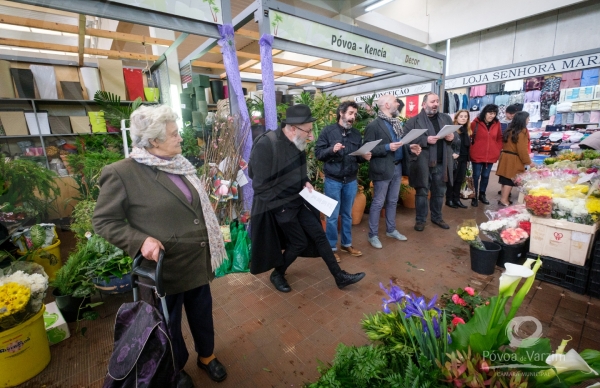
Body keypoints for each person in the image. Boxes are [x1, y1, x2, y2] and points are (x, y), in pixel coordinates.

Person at [93, 105, 227, 387]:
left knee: (202, 314)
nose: (180, 139)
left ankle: (207, 356)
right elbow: (105, 221)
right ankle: (175, 368)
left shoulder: (180, 164)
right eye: (174, 134)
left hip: (196, 259)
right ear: (153, 141)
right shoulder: (122, 173)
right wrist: (140, 241)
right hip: (165, 268)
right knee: (169, 323)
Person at [248, 104, 366, 293]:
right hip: (280, 206)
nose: (311, 136)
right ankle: (278, 273)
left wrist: (306, 181)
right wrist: (281, 209)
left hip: (298, 199)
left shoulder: (297, 142)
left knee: (320, 235)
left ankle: (339, 276)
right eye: (308, 131)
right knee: (299, 242)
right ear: (293, 128)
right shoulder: (266, 144)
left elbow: (299, 171)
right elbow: (260, 185)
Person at [315, 101, 371, 261]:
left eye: (354, 114)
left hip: (351, 181)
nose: (353, 117)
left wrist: (364, 157)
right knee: (332, 216)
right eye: (351, 113)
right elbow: (318, 153)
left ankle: (346, 244)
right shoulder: (328, 131)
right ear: (341, 113)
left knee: (347, 215)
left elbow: (357, 157)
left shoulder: (355, 134)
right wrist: (332, 150)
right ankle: (331, 247)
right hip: (333, 180)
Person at [363, 94, 421, 248]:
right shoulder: (373, 125)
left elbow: (400, 144)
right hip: (382, 169)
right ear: (387, 105)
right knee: (378, 203)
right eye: (396, 101)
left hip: (398, 166)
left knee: (393, 201)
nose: (398, 103)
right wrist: (387, 147)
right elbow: (367, 149)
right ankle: (372, 235)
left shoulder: (396, 123)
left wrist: (410, 147)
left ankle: (391, 230)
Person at [404, 92, 457, 231]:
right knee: (422, 192)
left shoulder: (445, 118)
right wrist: (425, 140)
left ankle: (437, 217)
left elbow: (456, 138)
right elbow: (405, 141)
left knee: (439, 192)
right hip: (422, 163)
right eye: (432, 102)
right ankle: (420, 220)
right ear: (424, 104)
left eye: (437, 101)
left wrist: (452, 138)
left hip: (441, 163)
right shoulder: (413, 121)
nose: (435, 104)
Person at [469, 104, 502, 207]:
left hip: (491, 155)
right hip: (477, 154)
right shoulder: (475, 123)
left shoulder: (497, 123)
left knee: (486, 176)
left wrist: (497, 149)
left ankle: (482, 194)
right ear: (485, 112)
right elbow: (469, 136)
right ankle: (474, 196)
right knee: (476, 176)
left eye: (494, 113)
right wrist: (472, 148)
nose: (492, 116)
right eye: (490, 113)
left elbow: (499, 137)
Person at [496, 111, 532, 206]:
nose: (528, 120)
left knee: (504, 179)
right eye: (528, 118)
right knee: (510, 180)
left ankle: (503, 198)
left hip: (505, 157)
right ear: (523, 120)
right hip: (513, 159)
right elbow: (522, 150)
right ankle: (504, 200)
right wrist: (528, 162)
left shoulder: (509, 129)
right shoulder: (522, 131)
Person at [445, 109, 471, 209]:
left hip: (464, 158)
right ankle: (449, 199)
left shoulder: (467, 130)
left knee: (460, 180)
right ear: (456, 118)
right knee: (452, 179)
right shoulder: (452, 129)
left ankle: (457, 199)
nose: (463, 118)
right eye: (461, 116)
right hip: (454, 158)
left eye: (465, 116)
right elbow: (446, 144)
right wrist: (452, 153)